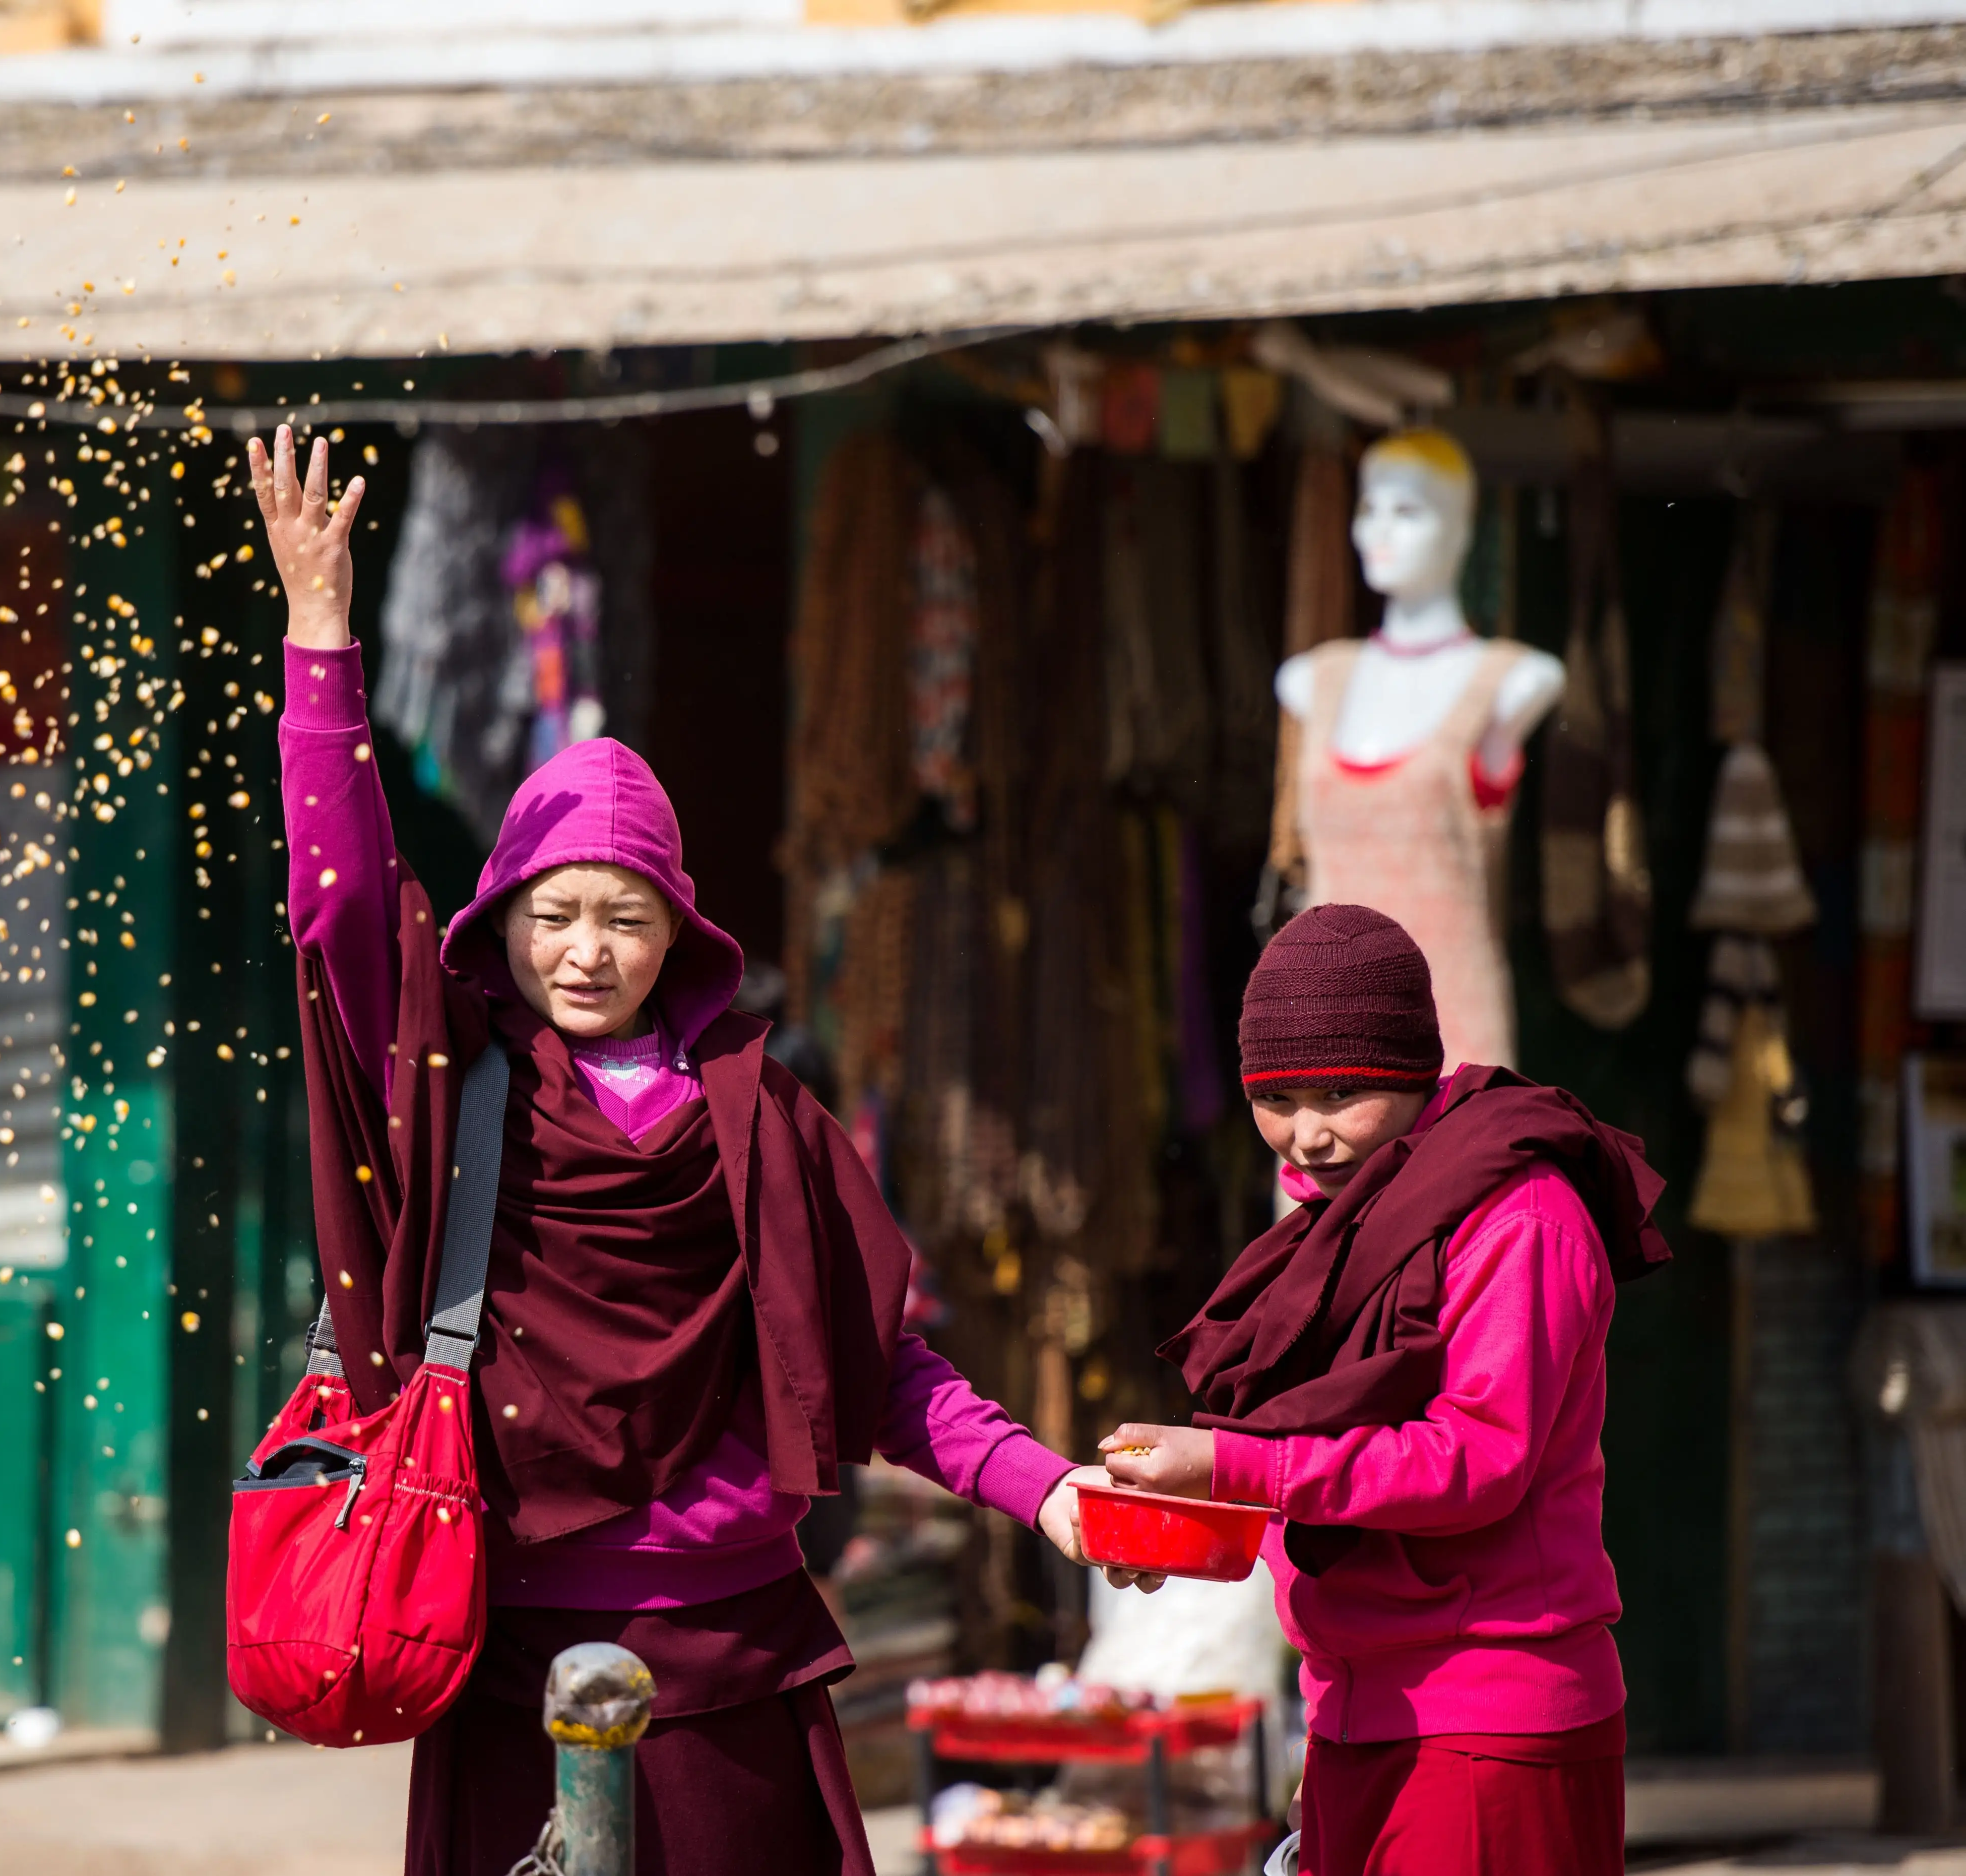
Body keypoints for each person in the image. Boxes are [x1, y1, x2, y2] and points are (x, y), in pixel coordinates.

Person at [247, 427, 1111, 1876]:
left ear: (681, 938)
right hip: (505, 1625)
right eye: (555, 913)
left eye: (626, 918)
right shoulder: (458, 1084)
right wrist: (319, 639)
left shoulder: (764, 1110)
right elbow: (339, 919)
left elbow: (877, 1359)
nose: (587, 952)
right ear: (503, 919)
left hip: (730, 1643)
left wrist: (1047, 1486)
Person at [1097, 903, 1669, 1876]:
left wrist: (1232, 1464)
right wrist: (1195, 1521)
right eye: (1277, 1100)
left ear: (1413, 1068)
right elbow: (1321, 1464)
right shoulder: (1348, 1218)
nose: (1308, 1136)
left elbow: (1476, 1457)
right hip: (1355, 1718)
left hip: (1491, 1724)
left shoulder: (1519, 1211)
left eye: (1342, 1094)